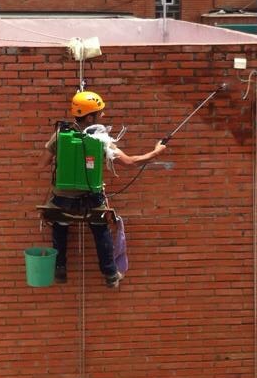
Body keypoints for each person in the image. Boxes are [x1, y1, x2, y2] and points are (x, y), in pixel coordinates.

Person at [43, 90, 166, 288]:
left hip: (62, 198)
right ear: (90, 117)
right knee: (101, 230)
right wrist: (156, 152)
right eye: (100, 113)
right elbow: (130, 162)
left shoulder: (60, 135)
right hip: (91, 199)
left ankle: (60, 269)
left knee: (59, 225)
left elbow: (42, 163)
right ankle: (110, 274)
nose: (103, 116)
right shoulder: (101, 140)